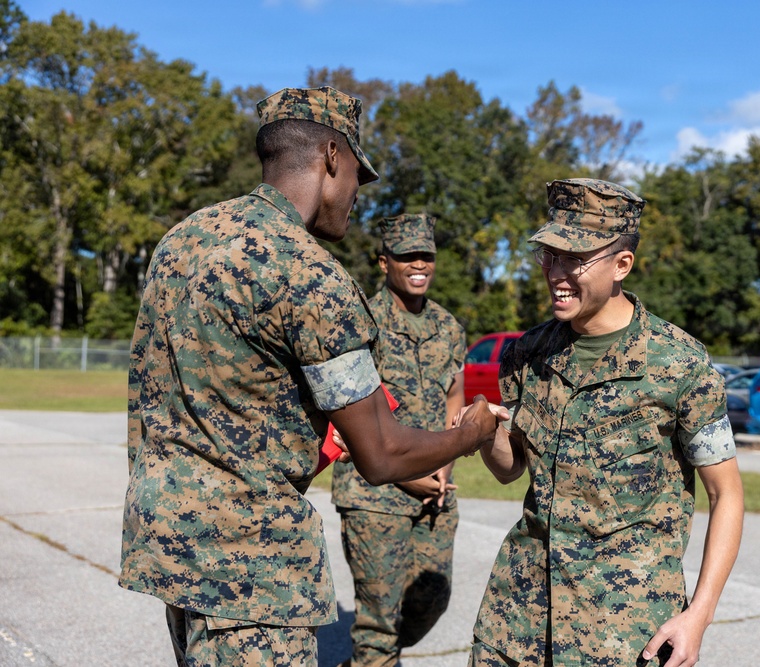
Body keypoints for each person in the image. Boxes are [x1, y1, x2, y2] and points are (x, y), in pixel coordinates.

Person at [120, 86, 502, 667]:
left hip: (172, 543)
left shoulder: (183, 240)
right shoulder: (307, 274)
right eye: (355, 174)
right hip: (253, 567)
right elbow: (383, 454)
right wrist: (469, 434)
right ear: (330, 157)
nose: (356, 196)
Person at [467, 178, 745, 667]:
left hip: (622, 631)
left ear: (621, 265)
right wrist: (487, 430)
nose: (556, 272)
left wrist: (698, 616)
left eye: (575, 258)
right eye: (549, 255)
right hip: (518, 620)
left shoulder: (680, 365)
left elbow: (727, 494)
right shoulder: (526, 354)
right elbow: (511, 469)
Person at [332, 212, 467, 667]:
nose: (419, 264)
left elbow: (455, 399)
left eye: (426, 255)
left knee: (432, 598)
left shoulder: (448, 327)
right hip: (374, 492)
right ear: (384, 261)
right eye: (407, 255)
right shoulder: (360, 321)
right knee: (378, 624)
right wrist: (406, 476)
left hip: (435, 492)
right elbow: (345, 417)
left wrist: (441, 469)